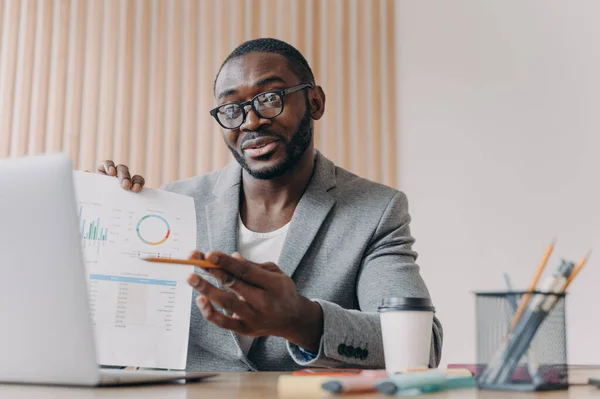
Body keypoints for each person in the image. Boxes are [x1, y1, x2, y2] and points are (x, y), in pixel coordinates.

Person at [97, 38, 443, 371]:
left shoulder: (376, 210)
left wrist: (301, 320)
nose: (250, 122)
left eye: (269, 98)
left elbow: (419, 347)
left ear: (315, 102)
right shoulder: (174, 206)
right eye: (232, 109)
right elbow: (112, 347)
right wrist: (98, 236)